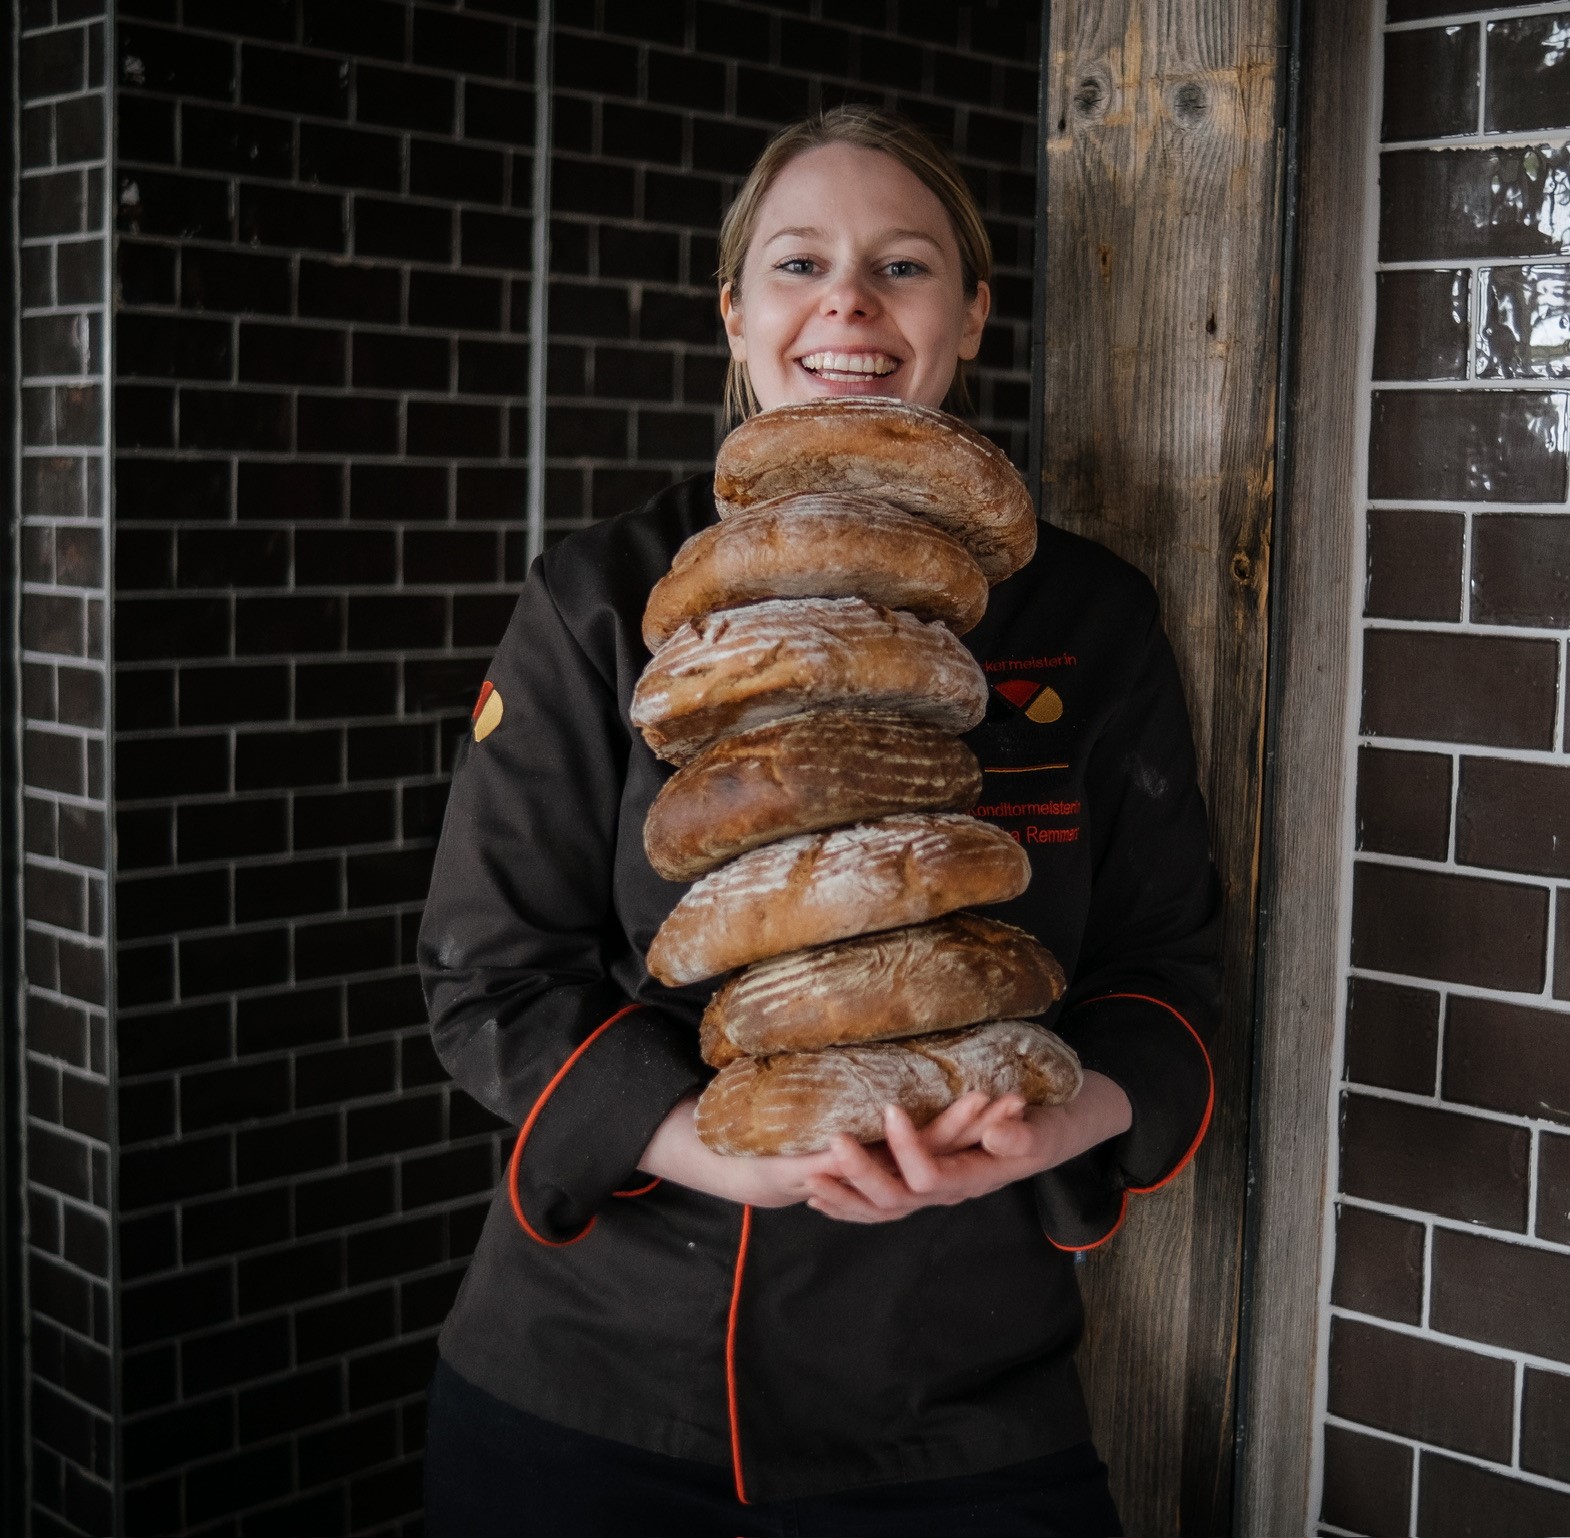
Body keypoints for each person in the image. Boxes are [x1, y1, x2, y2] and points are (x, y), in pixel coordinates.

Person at [417, 105, 1222, 1538]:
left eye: (902, 265)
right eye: (798, 263)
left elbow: (1170, 969)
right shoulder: (610, 599)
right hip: (596, 1381)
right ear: (736, 312)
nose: (847, 299)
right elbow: (490, 974)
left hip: (962, 1400)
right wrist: (701, 1139)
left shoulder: (1085, 616)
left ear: (969, 314)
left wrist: (1059, 1125)